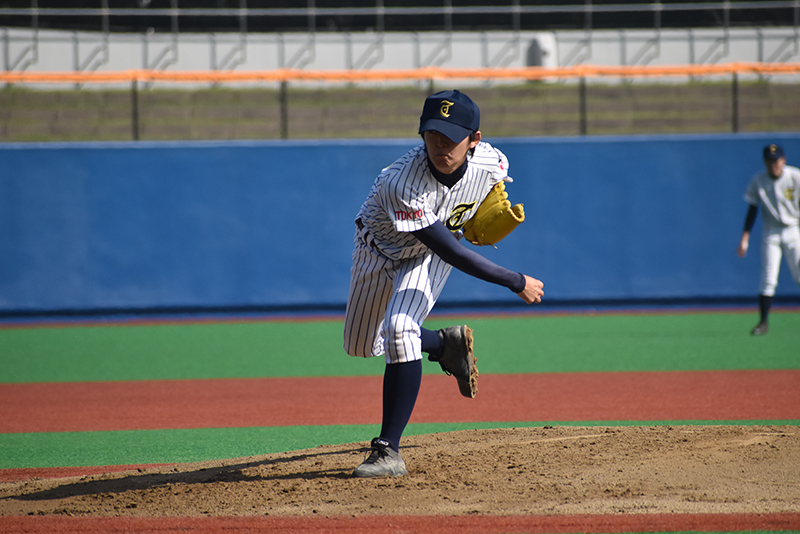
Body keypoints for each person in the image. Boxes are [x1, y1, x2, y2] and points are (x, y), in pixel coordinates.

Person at [342, 89, 545, 478]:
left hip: (429, 255)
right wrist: (514, 280)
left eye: (451, 136)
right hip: (378, 251)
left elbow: (466, 221)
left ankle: (388, 451)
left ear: (474, 140)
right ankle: (442, 343)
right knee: (362, 345)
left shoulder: (492, 162)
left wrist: (478, 214)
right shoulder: (402, 183)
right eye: (433, 133)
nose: (440, 144)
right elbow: (454, 251)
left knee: (400, 330)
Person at [737, 143, 800, 335]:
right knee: (768, 277)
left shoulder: (795, 177)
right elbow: (752, 211)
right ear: (765, 162)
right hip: (771, 232)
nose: (774, 164)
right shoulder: (759, 181)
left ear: (783, 160)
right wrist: (744, 238)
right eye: (770, 161)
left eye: (777, 160)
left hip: (793, 230)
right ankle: (763, 322)